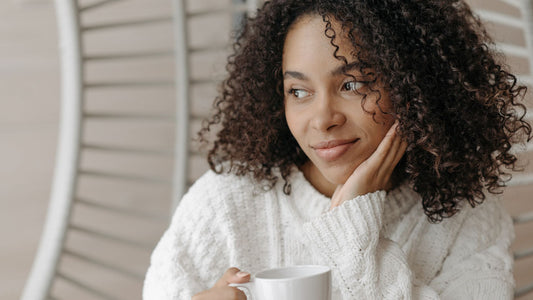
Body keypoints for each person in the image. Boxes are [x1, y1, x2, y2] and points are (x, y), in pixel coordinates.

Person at [143, 0, 532, 299]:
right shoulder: (226, 202)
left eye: (353, 84)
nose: (322, 119)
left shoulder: (468, 219)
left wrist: (355, 220)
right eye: (298, 91)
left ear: (416, 85)